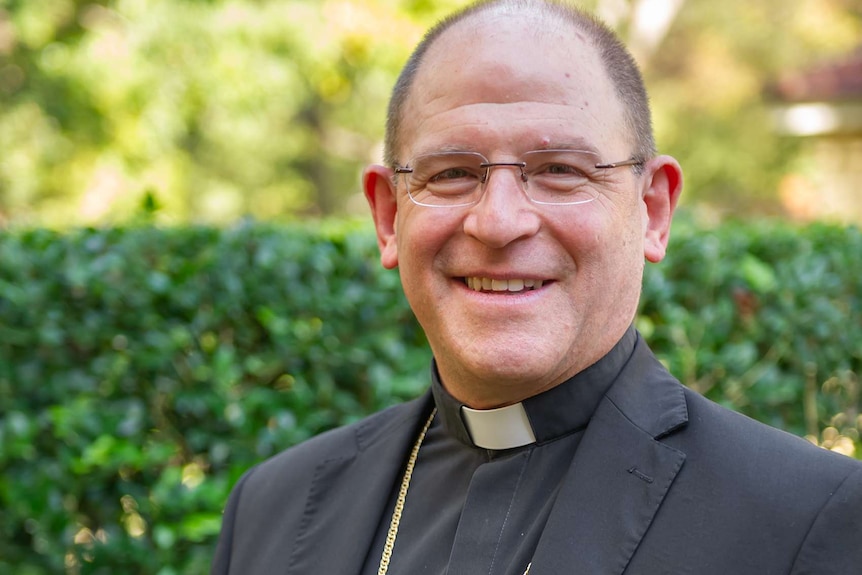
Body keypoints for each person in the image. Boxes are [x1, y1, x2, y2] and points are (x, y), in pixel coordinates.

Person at [211, 1, 862, 573]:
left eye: (558, 169)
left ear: (654, 211)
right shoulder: (274, 508)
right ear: (388, 215)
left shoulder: (806, 520)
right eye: (452, 173)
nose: (498, 222)